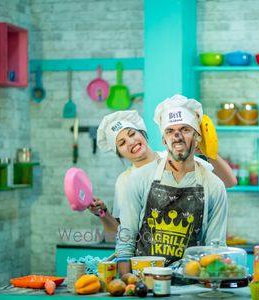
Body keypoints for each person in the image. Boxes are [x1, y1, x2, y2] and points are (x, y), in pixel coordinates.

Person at [115, 94, 229, 274]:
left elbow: (215, 249)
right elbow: (126, 238)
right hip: (143, 283)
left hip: (192, 284)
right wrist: (125, 281)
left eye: (185, 129)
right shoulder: (139, 179)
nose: (177, 136)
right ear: (163, 139)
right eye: (170, 131)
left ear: (197, 136)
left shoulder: (214, 186)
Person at [90, 109, 236, 236]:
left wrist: (209, 153)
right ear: (119, 153)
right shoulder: (125, 180)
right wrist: (103, 213)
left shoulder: (174, 157)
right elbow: (122, 233)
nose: (131, 141)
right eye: (121, 143)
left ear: (142, 133)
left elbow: (229, 182)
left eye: (132, 133)